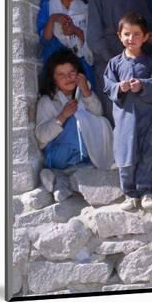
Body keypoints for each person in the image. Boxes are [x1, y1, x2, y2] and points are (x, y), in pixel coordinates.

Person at [87, 0, 152, 124]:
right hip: (108, 69)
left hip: (136, 69)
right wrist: (116, 64)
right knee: (113, 119)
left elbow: (151, 27)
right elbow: (94, 36)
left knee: (137, 121)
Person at [35, 50, 114, 202]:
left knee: (101, 121)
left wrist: (85, 90)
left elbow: (98, 114)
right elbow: (41, 135)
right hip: (58, 155)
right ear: (53, 79)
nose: (68, 78)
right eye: (61, 75)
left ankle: (63, 176)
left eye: (72, 73)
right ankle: (58, 172)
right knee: (75, 119)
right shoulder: (47, 101)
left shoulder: (82, 91)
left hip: (80, 154)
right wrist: (62, 117)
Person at [104, 13, 152, 210]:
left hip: (148, 119)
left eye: (137, 34)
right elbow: (107, 86)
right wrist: (119, 88)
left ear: (145, 37)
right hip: (124, 121)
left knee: (148, 154)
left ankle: (146, 190)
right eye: (127, 34)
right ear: (119, 36)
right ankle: (129, 193)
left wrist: (143, 86)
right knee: (125, 156)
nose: (132, 39)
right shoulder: (114, 64)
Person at [37, 0, 95, 89]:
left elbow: (90, 41)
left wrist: (74, 30)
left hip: (80, 65)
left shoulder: (86, 10)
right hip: (55, 64)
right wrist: (53, 19)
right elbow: (45, 40)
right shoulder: (48, 5)